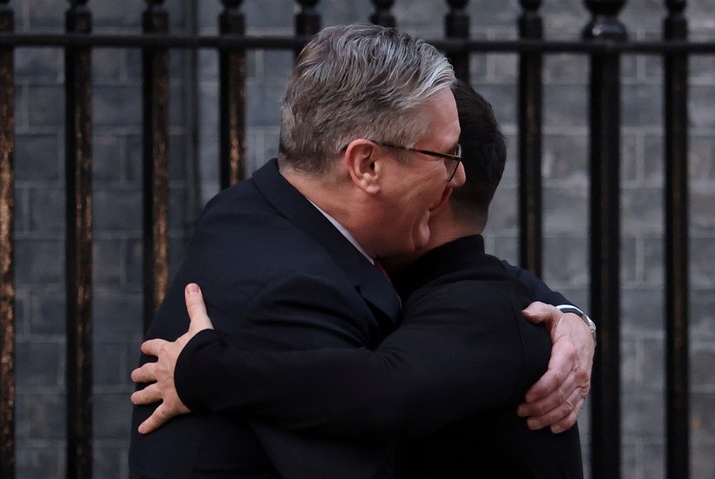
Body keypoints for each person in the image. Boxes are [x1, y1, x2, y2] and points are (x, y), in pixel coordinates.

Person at [129, 24, 593, 478]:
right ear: (366, 164)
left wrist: (573, 316)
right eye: (448, 156)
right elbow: (381, 396)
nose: (460, 177)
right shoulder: (291, 287)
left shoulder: (251, 209)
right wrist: (204, 372)